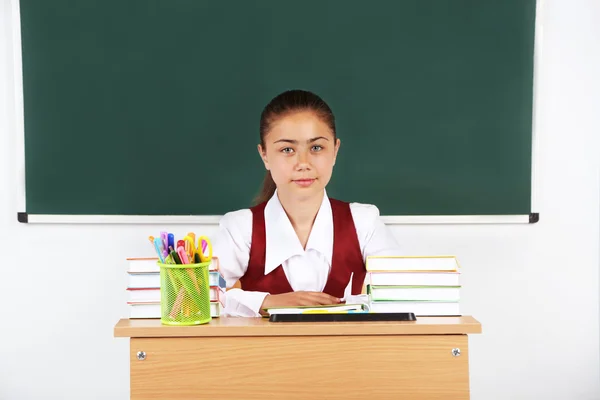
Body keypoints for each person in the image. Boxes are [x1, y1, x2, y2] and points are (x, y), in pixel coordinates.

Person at [212, 89, 401, 317]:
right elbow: (198, 295)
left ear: (335, 151)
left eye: (316, 148)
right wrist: (264, 302)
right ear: (264, 155)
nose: (303, 163)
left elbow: (399, 293)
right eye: (287, 150)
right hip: (262, 353)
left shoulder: (364, 222)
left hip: (351, 352)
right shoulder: (240, 228)